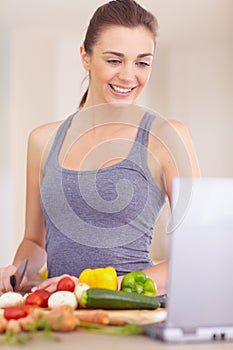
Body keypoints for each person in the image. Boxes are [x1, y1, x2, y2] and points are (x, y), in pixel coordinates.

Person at [0, 0, 200, 296]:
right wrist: (17, 271)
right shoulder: (43, 140)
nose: (129, 76)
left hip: (134, 317)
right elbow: (34, 241)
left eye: (142, 62)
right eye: (114, 60)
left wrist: (97, 289)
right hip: (59, 315)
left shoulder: (166, 137)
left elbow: (198, 251)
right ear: (85, 56)